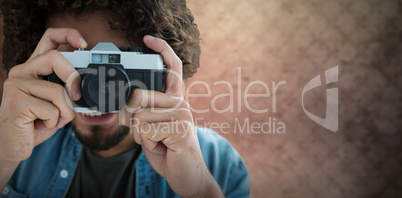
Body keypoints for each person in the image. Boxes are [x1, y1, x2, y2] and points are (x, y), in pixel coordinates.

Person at [0, 0, 250, 197]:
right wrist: (4, 159)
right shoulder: (15, 141)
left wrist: (199, 191)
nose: (97, 89)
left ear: (159, 70)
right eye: (76, 65)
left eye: (115, 68)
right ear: (42, 64)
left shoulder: (218, 164)